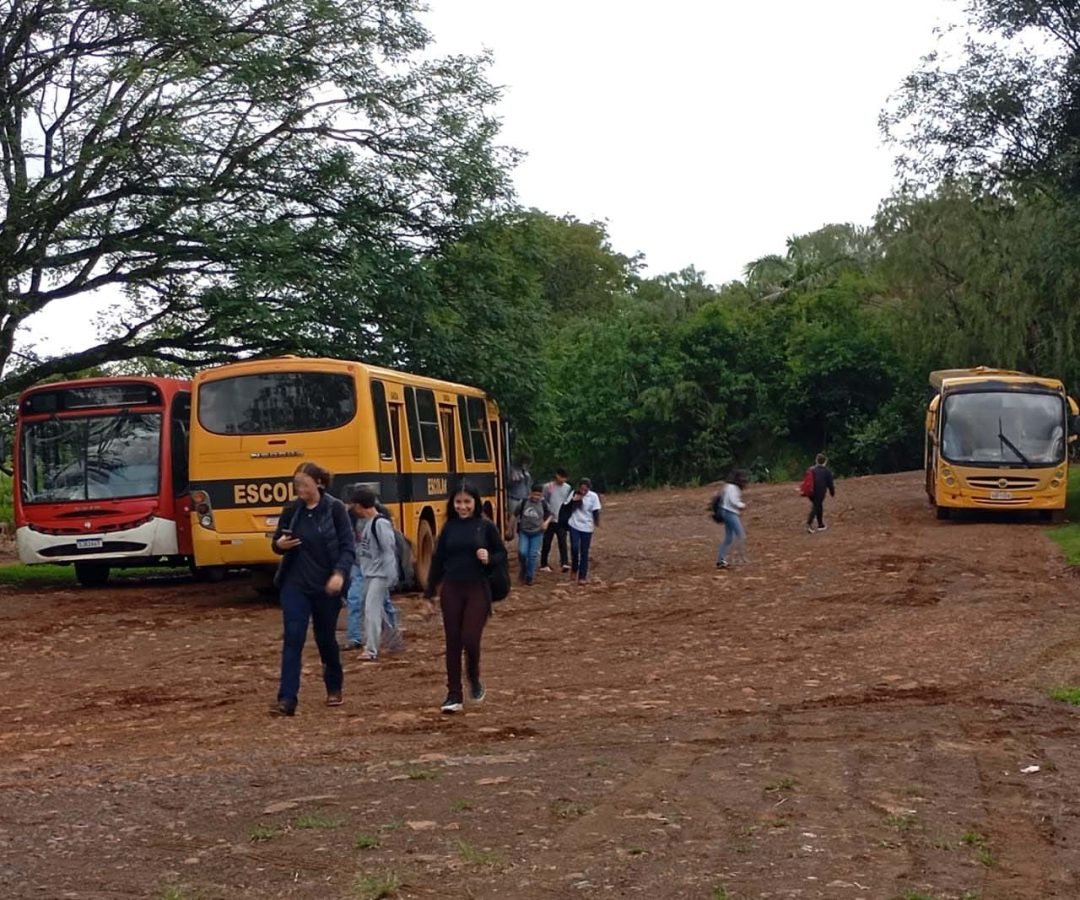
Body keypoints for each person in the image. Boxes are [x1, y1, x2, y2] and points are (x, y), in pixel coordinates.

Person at [269, 462, 354, 716]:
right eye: (297, 485)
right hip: (294, 584)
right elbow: (276, 543)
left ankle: (334, 686)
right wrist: (280, 545)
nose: (300, 490)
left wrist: (339, 574)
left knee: (325, 638)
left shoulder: (336, 509)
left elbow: (348, 547)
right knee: (293, 637)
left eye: (304, 484)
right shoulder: (292, 511)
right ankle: (287, 699)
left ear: (318, 483)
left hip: (326, 586)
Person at [423, 482, 506, 714]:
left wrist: (489, 556)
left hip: (478, 588)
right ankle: (454, 694)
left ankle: (473, 676)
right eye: (458, 502)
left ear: (475, 503)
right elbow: (437, 561)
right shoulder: (448, 527)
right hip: (451, 589)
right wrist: (429, 593)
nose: (462, 507)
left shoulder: (485, 526)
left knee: (470, 637)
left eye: (467, 502)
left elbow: (501, 553)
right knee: (453, 642)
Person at [342, 485, 404, 656]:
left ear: (360, 506)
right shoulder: (372, 523)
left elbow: (388, 550)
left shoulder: (379, 523)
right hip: (371, 573)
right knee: (377, 611)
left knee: (371, 610)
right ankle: (392, 640)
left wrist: (391, 576)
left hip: (379, 575)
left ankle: (371, 649)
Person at [567, 477, 601, 585]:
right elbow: (566, 507)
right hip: (574, 524)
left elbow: (595, 511)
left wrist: (596, 522)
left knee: (584, 551)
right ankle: (574, 568)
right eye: (581, 489)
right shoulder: (573, 493)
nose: (583, 491)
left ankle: (582, 576)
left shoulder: (593, 496)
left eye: (585, 490)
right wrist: (574, 501)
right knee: (574, 547)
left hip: (587, 526)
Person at [516, 483, 552, 585]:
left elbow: (550, 515)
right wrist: (510, 528)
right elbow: (514, 514)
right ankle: (523, 568)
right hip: (524, 532)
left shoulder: (543, 504)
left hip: (537, 533)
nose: (536, 497)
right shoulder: (523, 502)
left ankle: (529, 576)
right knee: (522, 552)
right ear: (530, 493)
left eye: (538, 495)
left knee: (532, 555)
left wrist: (546, 523)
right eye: (534, 494)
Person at [539, 469, 574, 573]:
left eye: (564, 478)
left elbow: (568, 501)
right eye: (561, 477)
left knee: (562, 541)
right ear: (556, 476)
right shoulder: (548, 487)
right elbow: (543, 500)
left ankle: (564, 562)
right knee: (547, 542)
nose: (562, 479)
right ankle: (544, 563)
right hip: (550, 518)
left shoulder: (567, 488)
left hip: (561, 519)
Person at [716, 469, 748, 569]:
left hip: (726, 512)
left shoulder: (729, 486)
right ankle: (738, 558)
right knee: (740, 535)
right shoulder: (733, 488)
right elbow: (733, 501)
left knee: (729, 537)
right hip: (730, 513)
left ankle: (721, 559)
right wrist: (742, 505)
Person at [806, 453, 836, 534]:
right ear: (825, 462)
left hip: (811, 492)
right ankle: (809, 523)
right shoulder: (827, 471)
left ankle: (820, 524)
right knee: (816, 506)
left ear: (816, 461)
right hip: (820, 491)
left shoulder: (812, 469)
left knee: (818, 505)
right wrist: (832, 492)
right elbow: (830, 483)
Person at [506, 455, 531, 539]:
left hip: (524, 497)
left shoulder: (526, 473)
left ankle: (520, 535)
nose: (525, 465)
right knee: (513, 517)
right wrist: (514, 480)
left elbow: (528, 485)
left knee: (523, 517)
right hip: (513, 497)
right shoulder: (513, 471)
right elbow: (507, 484)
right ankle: (510, 534)